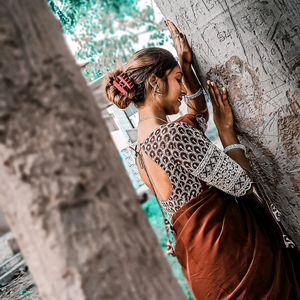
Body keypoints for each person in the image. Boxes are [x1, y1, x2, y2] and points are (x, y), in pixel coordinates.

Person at [104, 20, 300, 300]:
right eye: (176, 81)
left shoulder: (141, 152)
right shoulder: (173, 135)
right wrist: (226, 133)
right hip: (238, 264)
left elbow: (196, 114)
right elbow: (242, 183)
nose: (183, 90)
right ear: (153, 82)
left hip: (206, 274)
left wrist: (185, 68)